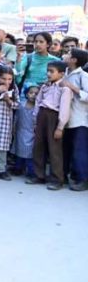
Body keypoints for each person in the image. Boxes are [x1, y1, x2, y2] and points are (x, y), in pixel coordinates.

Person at [26, 61, 72, 190]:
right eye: (48, 71)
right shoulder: (45, 87)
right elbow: (38, 102)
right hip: (42, 115)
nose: (48, 74)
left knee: (54, 149)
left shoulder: (64, 89)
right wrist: (36, 120)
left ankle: (57, 179)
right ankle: (39, 175)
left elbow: (64, 109)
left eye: (52, 71)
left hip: (54, 117)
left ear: (62, 74)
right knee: (38, 146)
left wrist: (60, 127)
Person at [60, 49, 88, 191]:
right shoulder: (63, 72)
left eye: (68, 54)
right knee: (66, 149)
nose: (65, 56)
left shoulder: (83, 76)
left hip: (79, 119)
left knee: (79, 151)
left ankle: (82, 179)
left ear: (74, 60)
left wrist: (73, 88)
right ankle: (64, 175)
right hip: (65, 119)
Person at [12, 86, 39, 178]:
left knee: (30, 154)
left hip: (32, 133)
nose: (33, 95)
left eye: (36, 94)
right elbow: (16, 118)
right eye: (31, 93)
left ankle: (31, 172)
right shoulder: (21, 106)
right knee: (19, 151)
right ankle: (18, 168)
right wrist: (14, 129)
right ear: (27, 94)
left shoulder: (38, 108)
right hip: (20, 131)